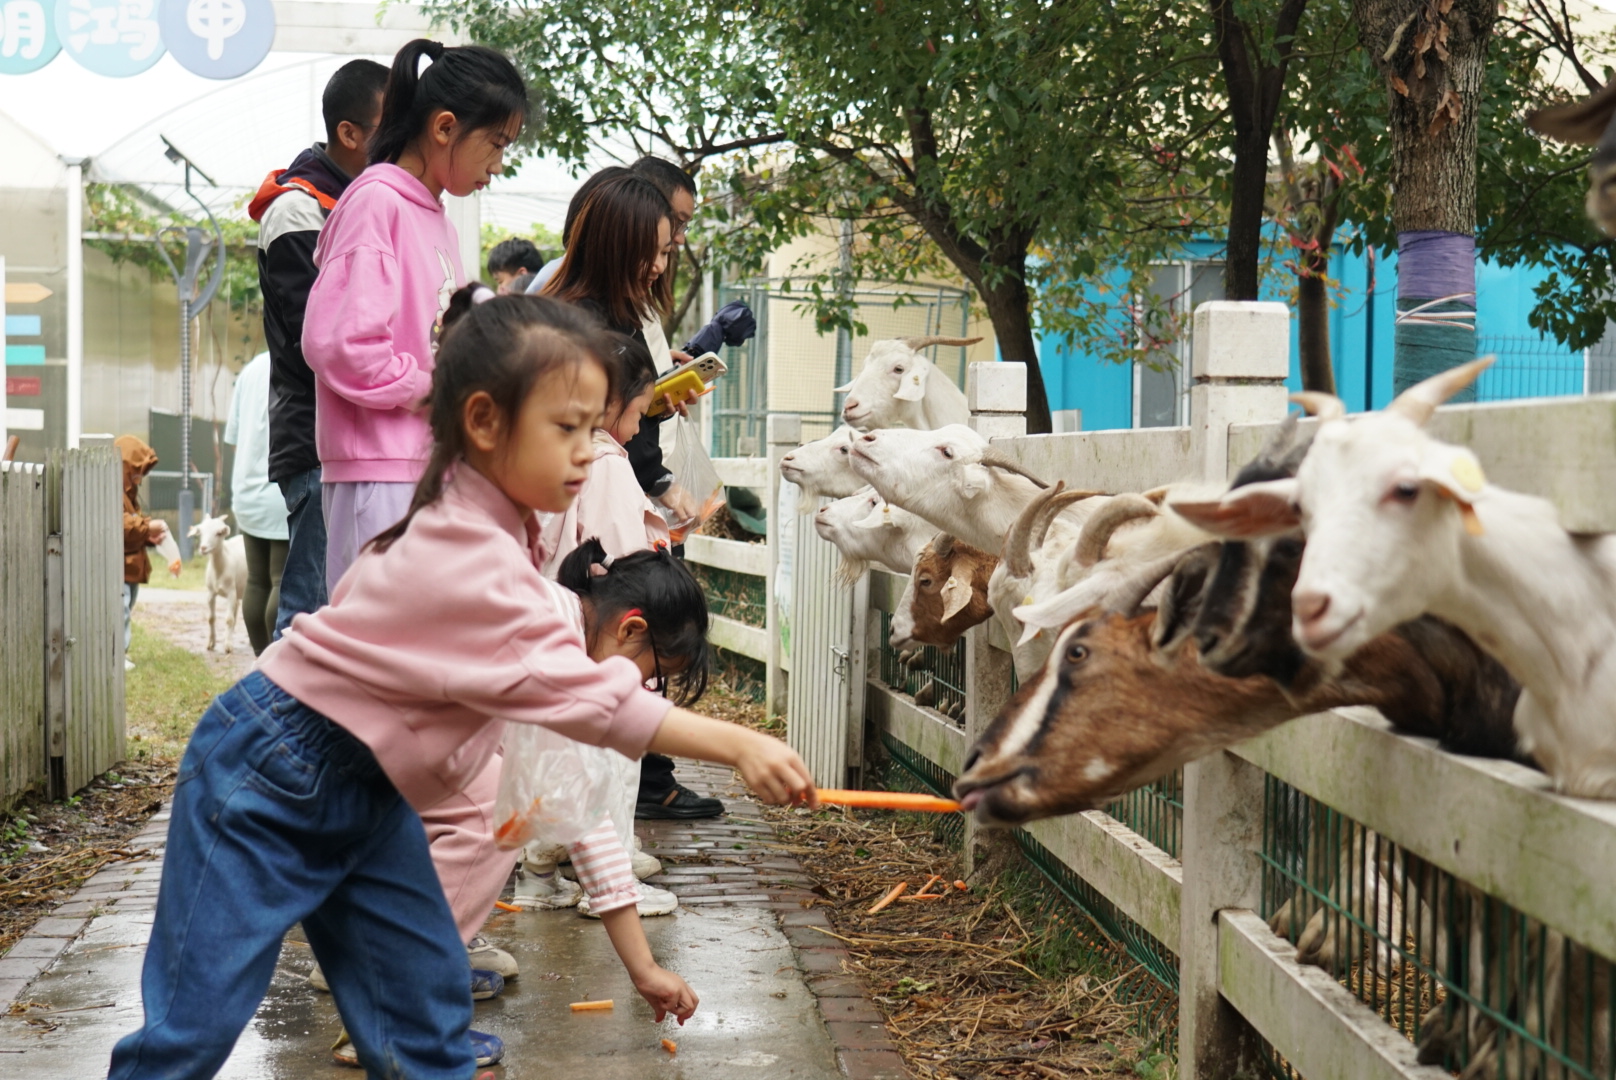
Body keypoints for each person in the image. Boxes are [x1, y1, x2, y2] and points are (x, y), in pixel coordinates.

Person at [105, 291, 816, 1080]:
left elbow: (576, 777)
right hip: (269, 775)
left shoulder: (503, 533)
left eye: (594, 426)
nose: (590, 451)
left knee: (424, 1030)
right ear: (483, 422)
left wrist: (642, 963)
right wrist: (738, 744)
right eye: (567, 428)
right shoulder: (473, 558)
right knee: (192, 1030)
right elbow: (597, 705)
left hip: (369, 791)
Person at [303, 39, 527, 594]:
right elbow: (343, 347)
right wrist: (439, 387)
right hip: (379, 472)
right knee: (377, 638)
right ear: (445, 127)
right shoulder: (376, 203)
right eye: (496, 144)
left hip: (424, 465)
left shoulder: (436, 219)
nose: (498, 166)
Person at [250, 58, 390, 641]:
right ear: (349, 133)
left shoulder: (362, 201)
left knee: (341, 610)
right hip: (317, 438)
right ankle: (280, 703)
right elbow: (326, 334)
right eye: (391, 126)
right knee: (310, 615)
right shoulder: (298, 209)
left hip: (352, 436)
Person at [223, 352, 290, 656]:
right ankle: (277, 664)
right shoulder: (300, 361)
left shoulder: (250, 370)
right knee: (281, 582)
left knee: (257, 581)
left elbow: (234, 437)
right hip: (282, 491)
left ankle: (261, 661)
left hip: (247, 491)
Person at [116, 435, 175, 669]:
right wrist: (146, 527)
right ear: (125, 467)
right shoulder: (113, 493)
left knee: (126, 607)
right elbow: (121, 524)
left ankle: (120, 652)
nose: (139, 478)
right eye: (136, 472)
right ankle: (117, 655)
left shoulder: (129, 494)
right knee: (119, 611)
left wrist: (147, 535)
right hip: (119, 566)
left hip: (130, 565)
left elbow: (133, 523)